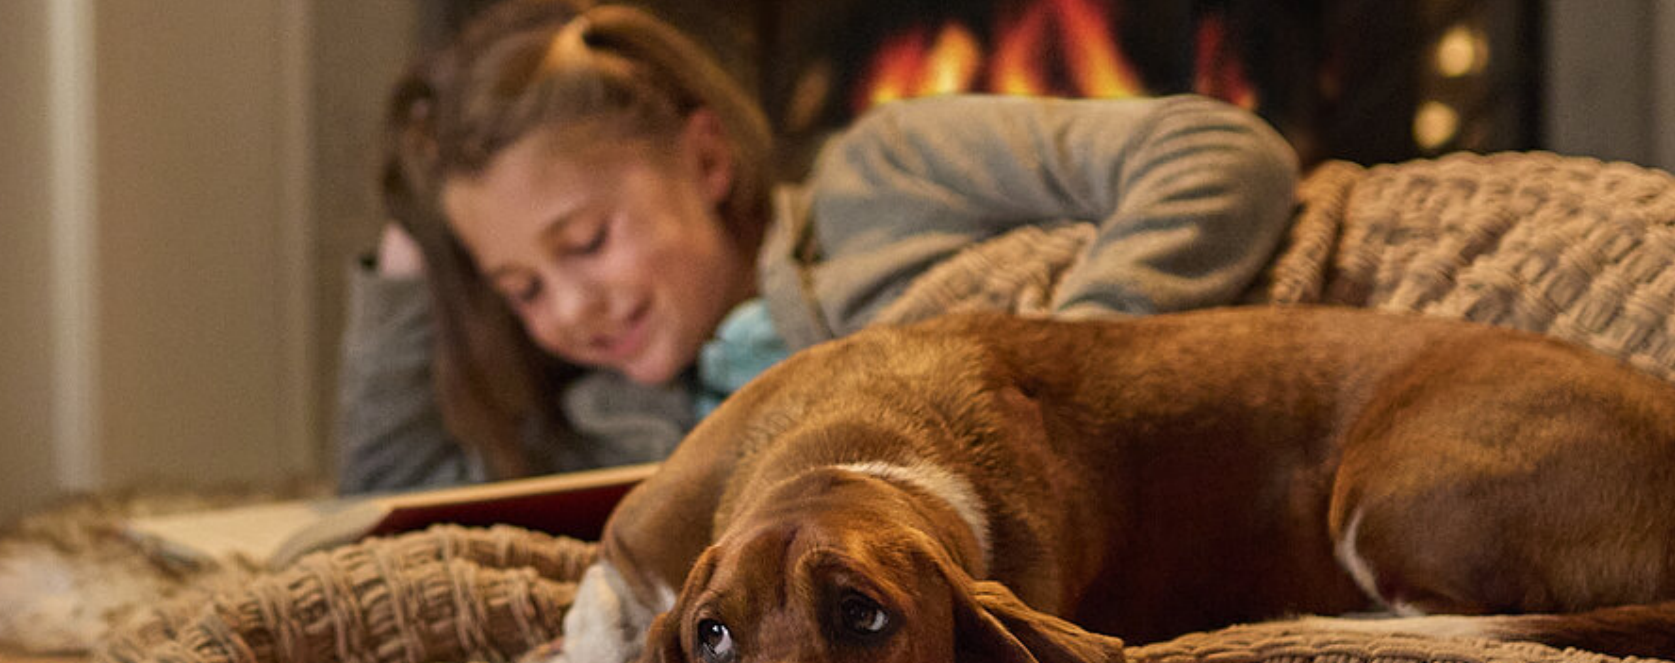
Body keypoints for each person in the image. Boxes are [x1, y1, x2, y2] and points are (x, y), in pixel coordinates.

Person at [337, 0, 1300, 494]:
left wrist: (1072, 368)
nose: (570, 308)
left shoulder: (886, 175)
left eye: (586, 242)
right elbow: (386, 496)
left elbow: (1214, 150)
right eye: (522, 289)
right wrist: (417, 239)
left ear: (707, 158)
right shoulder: (611, 423)